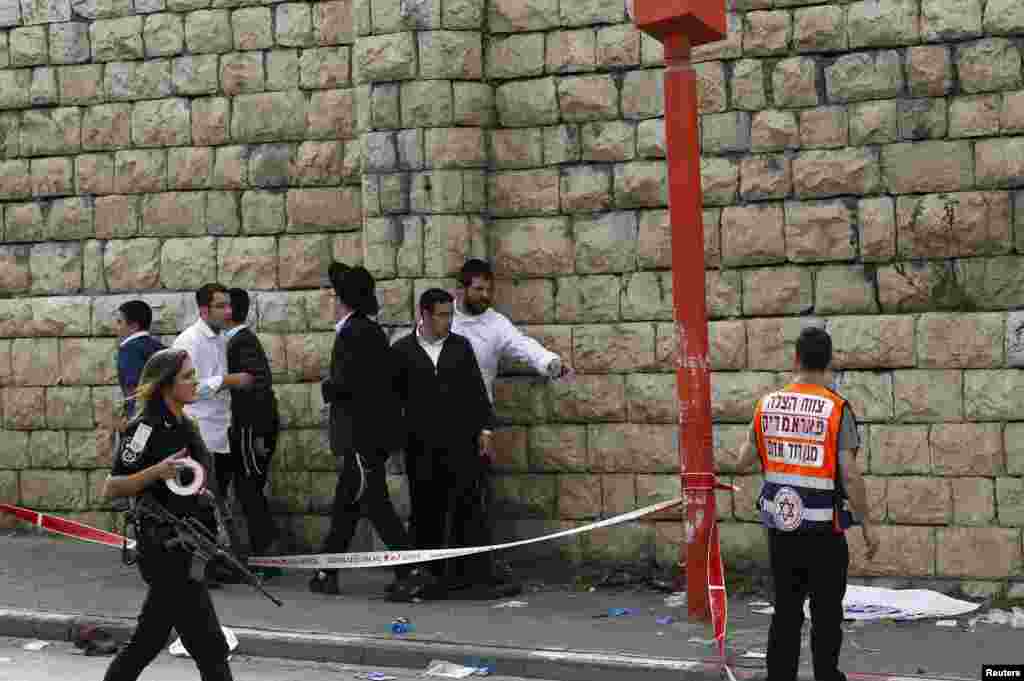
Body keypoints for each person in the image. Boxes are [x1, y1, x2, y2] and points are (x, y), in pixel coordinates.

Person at [727, 326, 879, 681]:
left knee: (786, 611)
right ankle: (827, 675)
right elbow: (851, 475)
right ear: (829, 362)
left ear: (795, 359)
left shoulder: (767, 405)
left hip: (782, 532)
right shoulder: (836, 409)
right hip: (824, 532)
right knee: (826, 614)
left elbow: (743, 460)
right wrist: (868, 524)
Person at [101, 348, 235, 681]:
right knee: (208, 646)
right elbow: (112, 488)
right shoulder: (144, 429)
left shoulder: (187, 425)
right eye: (187, 376)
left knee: (151, 641)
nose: (195, 382)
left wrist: (215, 517)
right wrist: (156, 472)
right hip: (163, 549)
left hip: (191, 548)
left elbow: (200, 485)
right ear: (165, 384)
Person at [309, 263, 432, 601]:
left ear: (344, 299)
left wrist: (328, 389)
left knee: (375, 506)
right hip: (363, 438)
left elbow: (353, 384)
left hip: (361, 437)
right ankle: (326, 572)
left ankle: (410, 570)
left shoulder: (355, 332)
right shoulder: (365, 330)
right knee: (346, 508)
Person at [392, 288, 498, 598]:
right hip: (421, 447)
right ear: (423, 315)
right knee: (426, 511)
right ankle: (428, 574)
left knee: (467, 505)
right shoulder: (402, 352)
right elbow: (392, 398)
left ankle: (472, 574)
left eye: (450, 315)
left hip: (460, 443)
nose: (447, 321)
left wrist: (485, 430)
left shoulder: (460, 348)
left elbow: (477, 392)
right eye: (441, 315)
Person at [172, 283, 254, 580]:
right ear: (204, 309)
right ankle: (200, 568)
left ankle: (212, 563)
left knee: (214, 503)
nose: (228, 311)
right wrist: (229, 380)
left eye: (229, 305)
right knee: (202, 503)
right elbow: (188, 388)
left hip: (221, 432)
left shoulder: (219, 339)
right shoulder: (189, 342)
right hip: (200, 432)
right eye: (221, 306)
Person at [452, 258, 574, 402]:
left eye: (489, 290)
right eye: (479, 289)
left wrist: (549, 361)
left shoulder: (496, 323)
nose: (486, 295)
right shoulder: (439, 316)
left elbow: (523, 345)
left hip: (478, 414)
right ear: (461, 289)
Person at [222, 288, 281, 573]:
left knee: (250, 491)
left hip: (250, 429)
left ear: (231, 311)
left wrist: (257, 435)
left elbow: (258, 387)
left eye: (222, 306)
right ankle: (263, 555)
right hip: (246, 428)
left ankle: (267, 557)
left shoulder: (242, 342)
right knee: (247, 491)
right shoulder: (236, 340)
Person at [114, 300, 164, 420]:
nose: (116, 327)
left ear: (134, 326)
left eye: (119, 322)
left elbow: (135, 390)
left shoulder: (128, 350)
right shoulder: (160, 348)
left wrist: (129, 420)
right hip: (165, 417)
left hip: (142, 420)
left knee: (137, 439)